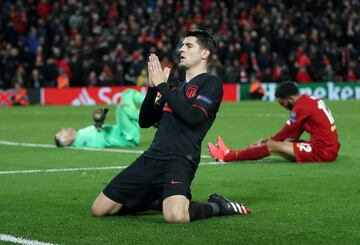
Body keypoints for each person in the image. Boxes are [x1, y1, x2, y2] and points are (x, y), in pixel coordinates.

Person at [91, 30, 250, 223]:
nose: (182, 49)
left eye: (189, 46)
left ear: (205, 53)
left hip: (181, 158)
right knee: (99, 209)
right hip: (153, 156)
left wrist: (163, 87)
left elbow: (193, 117)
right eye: (182, 45)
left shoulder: (212, 83)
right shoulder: (174, 87)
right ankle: (160, 199)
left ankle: (218, 206)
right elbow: (145, 121)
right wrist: (152, 89)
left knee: (176, 216)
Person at [208, 81, 340, 163]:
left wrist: (268, 140)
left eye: (282, 103)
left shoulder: (301, 107)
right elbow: (294, 134)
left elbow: (285, 133)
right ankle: (231, 152)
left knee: (272, 145)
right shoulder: (309, 100)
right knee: (278, 143)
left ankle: (229, 156)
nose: (283, 106)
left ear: (290, 98)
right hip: (328, 147)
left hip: (322, 152)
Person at [54, 89, 145, 148]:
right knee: (121, 108)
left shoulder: (80, 134)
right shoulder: (81, 141)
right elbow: (99, 143)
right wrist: (99, 125)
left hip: (124, 130)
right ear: (66, 140)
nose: (63, 129)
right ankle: (151, 113)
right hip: (127, 137)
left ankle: (153, 101)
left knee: (127, 93)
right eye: (62, 133)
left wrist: (99, 123)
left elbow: (98, 133)